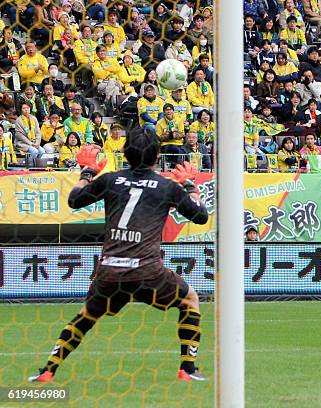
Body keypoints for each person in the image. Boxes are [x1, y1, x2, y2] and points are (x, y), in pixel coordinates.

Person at [29, 131, 209, 384]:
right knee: (190, 300)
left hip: (109, 271)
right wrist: (190, 186)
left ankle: (48, 370)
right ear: (157, 156)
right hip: (147, 272)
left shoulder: (111, 180)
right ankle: (187, 368)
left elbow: (74, 200)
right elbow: (201, 216)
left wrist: (87, 172)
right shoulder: (167, 187)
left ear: (125, 153)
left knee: (86, 316)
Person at [15, 101, 44, 167]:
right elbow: (19, 135)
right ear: (21, 110)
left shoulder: (34, 118)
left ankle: (36, 166)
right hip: (22, 143)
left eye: (27, 107)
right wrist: (30, 143)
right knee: (34, 151)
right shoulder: (18, 120)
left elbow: (38, 132)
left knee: (42, 151)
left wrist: (37, 143)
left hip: (34, 142)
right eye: (24, 108)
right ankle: (29, 166)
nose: (26, 109)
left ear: (30, 108)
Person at [156, 103, 185, 168]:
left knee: (184, 150)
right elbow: (159, 138)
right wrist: (170, 135)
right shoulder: (159, 123)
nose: (169, 111)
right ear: (164, 112)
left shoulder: (179, 120)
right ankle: (175, 167)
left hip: (179, 144)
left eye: (170, 109)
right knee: (175, 149)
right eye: (166, 110)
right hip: (166, 144)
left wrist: (174, 135)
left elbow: (182, 134)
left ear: (173, 111)